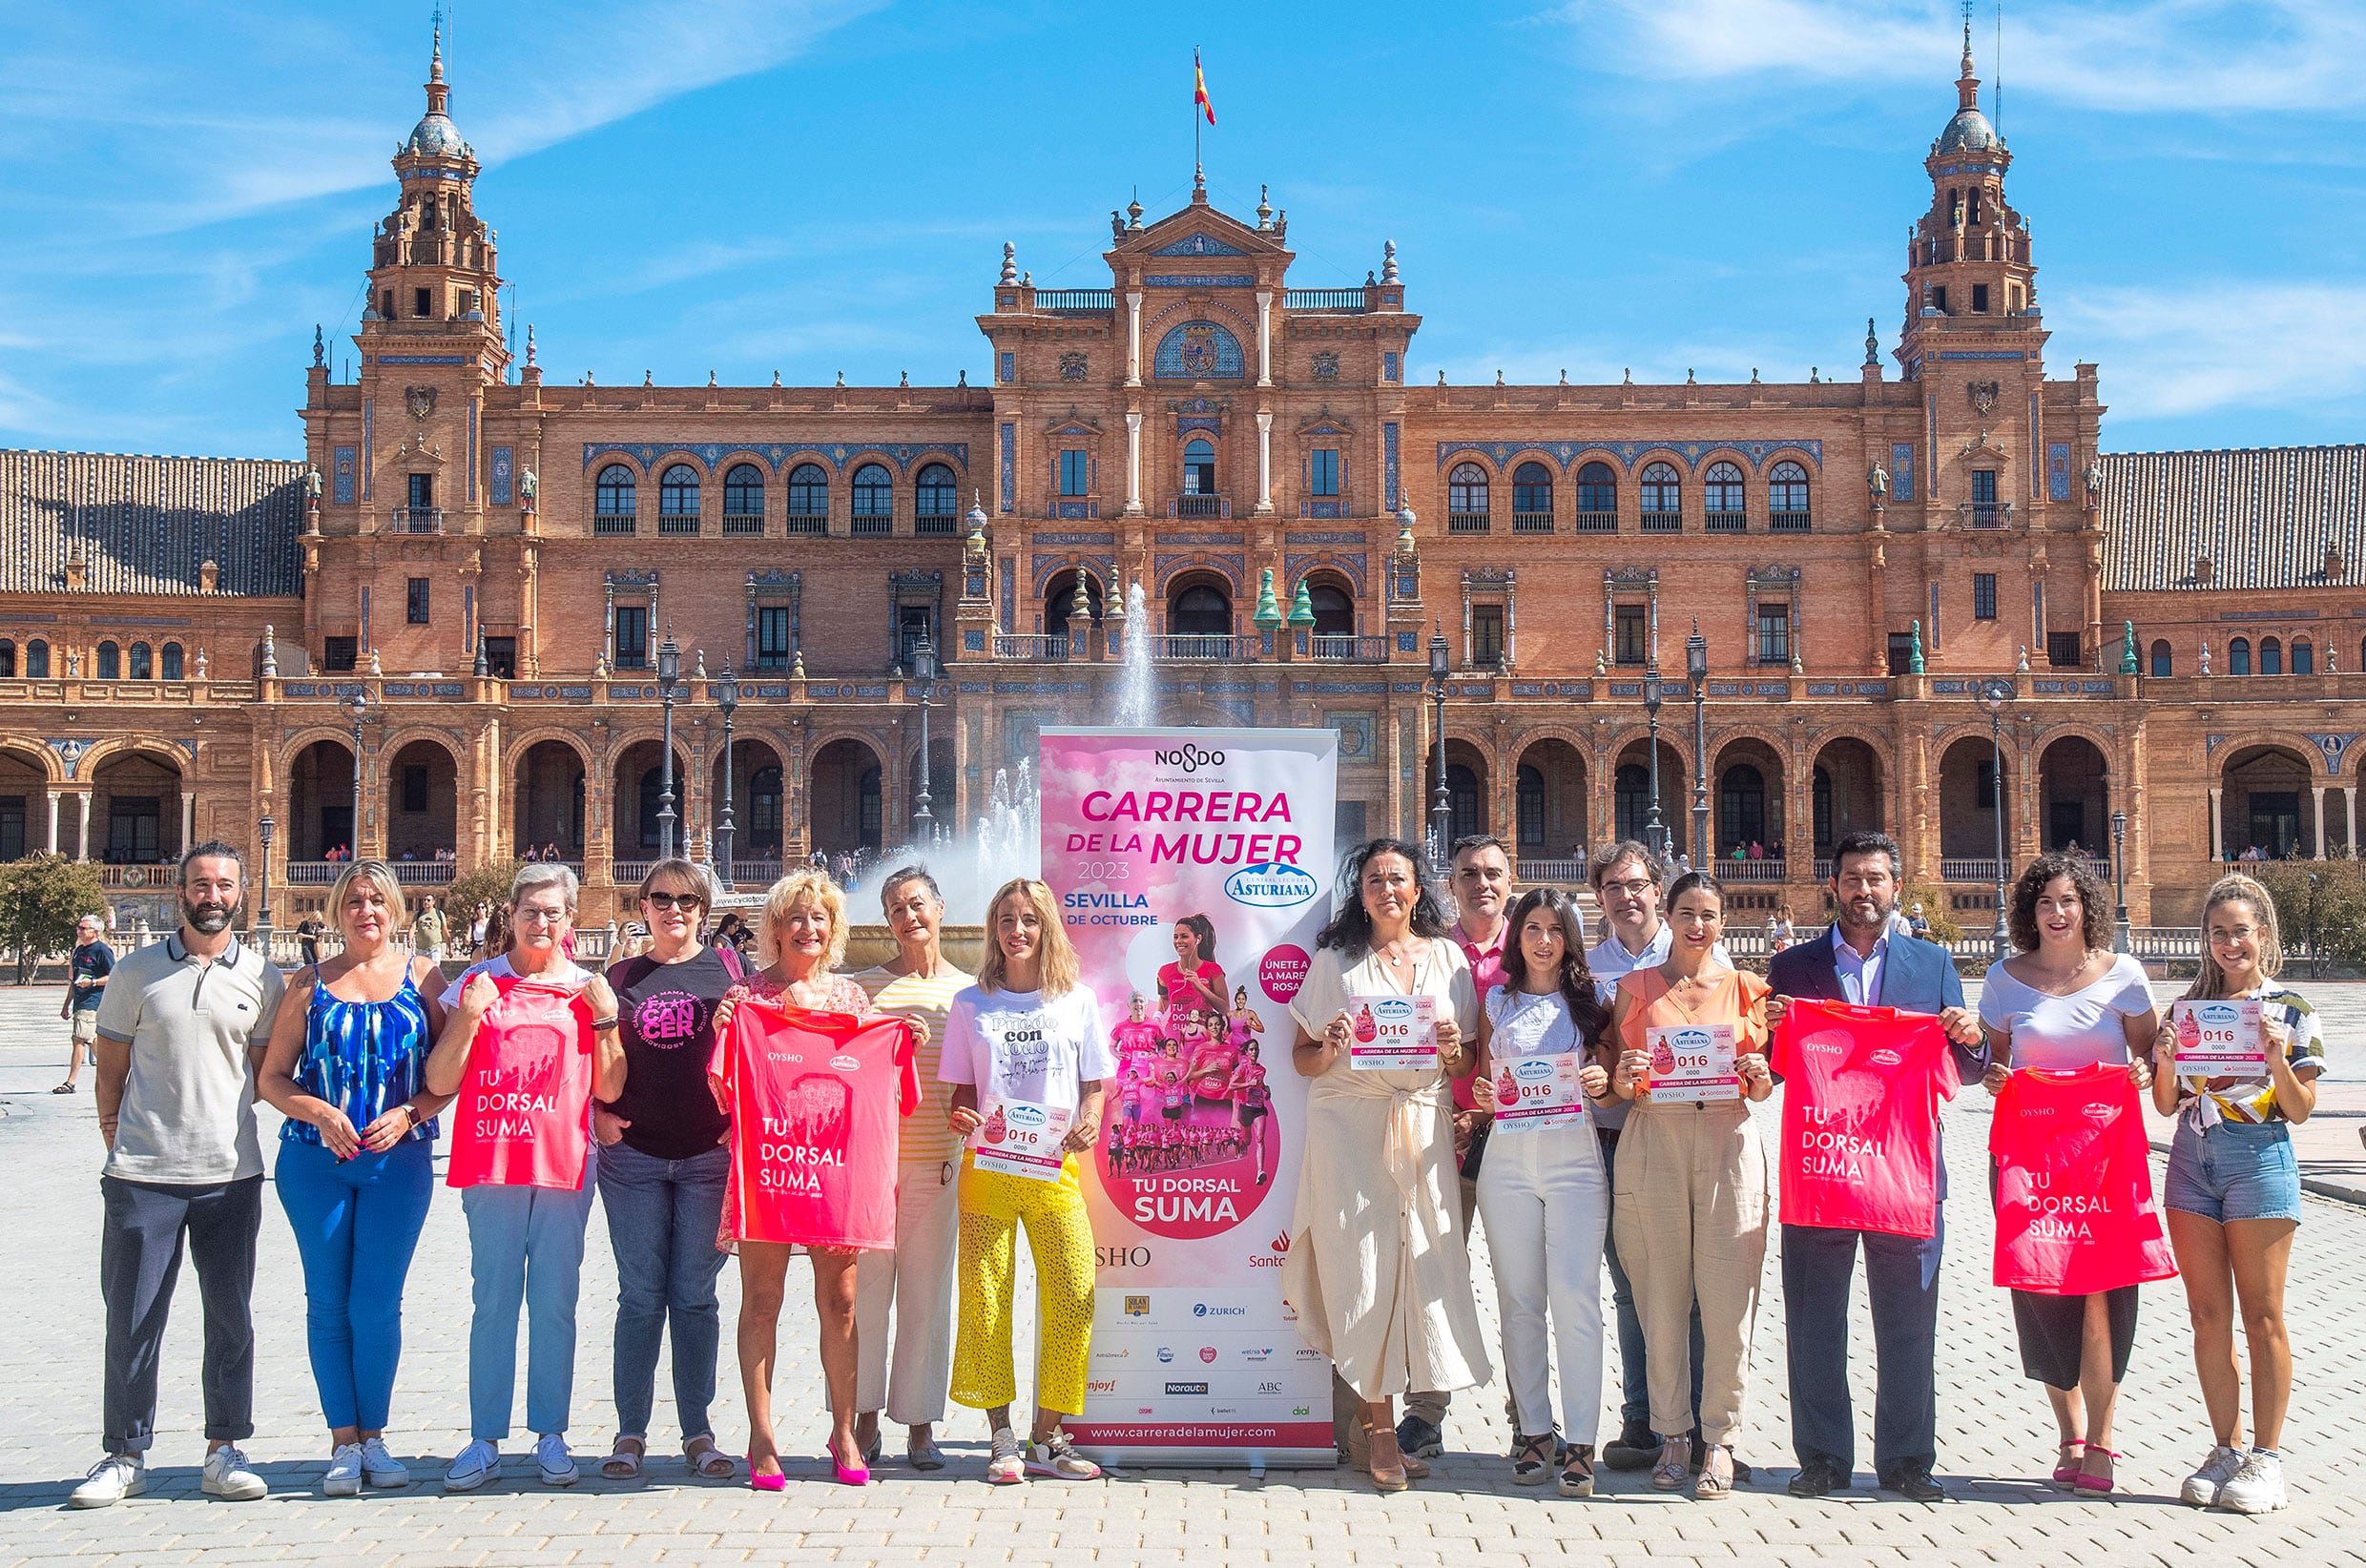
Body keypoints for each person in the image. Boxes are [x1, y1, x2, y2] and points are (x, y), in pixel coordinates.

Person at [1764, 831, 1985, 1502]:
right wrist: (1770, 1029)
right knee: (1814, 1318)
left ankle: (1909, 1459)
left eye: (1877, 879)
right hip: (1824, 1166)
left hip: (1904, 1174)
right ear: (1834, 886)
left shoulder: (1931, 963)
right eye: (1854, 879)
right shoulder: (1794, 969)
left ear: (1897, 886)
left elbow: (1965, 1071)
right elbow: (1773, 1071)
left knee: (1910, 1319)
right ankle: (1824, 1457)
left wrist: (1969, 1038)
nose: (1865, 892)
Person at [71, 843, 286, 1509]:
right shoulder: (135, 973)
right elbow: (110, 1068)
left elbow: (258, 1076)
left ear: (241, 895)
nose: (211, 895)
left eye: (223, 885)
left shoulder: (262, 977)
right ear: (180, 891)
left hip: (230, 1172)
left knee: (230, 1317)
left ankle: (225, 1448)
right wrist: (118, 1131)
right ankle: (123, 1452)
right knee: (132, 1318)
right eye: (200, 884)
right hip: (143, 1173)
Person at [1285, 837, 1490, 1492]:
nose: (1386, 890)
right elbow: (1302, 1058)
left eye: (1397, 878)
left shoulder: (1449, 959)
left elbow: (1461, 1066)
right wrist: (1332, 1044)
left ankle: (1400, 1421)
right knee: (1363, 1269)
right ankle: (1377, 1431)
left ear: (1417, 889)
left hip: (1421, 1126)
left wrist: (1456, 1050)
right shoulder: (1337, 961)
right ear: (1361, 891)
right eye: (1374, 879)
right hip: (1348, 1126)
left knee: (1417, 1270)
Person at [425, 862, 622, 1493]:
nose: (542, 922)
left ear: (572, 919)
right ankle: (484, 1437)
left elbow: (611, 1088)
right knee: (494, 1299)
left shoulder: (588, 990)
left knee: (556, 1301)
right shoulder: (478, 984)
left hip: (566, 1160)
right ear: (510, 914)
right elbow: (438, 1081)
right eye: (531, 911)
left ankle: (552, 1432)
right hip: (495, 1158)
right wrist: (467, 1018)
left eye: (554, 912)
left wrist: (608, 1018)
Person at [257, 860, 450, 1496]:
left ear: (395, 909)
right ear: (338, 911)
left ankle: (377, 1438)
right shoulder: (308, 984)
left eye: (376, 901)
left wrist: (411, 1112)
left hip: (398, 1161)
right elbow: (273, 1077)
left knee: (377, 1303)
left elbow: (447, 1074)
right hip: (317, 1162)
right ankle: (343, 1441)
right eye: (354, 902)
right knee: (328, 1303)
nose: (366, 911)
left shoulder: (424, 978)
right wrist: (316, 1109)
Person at [1977, 851, 2160, 1497]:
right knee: (2044, 1295)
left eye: (2068, 901)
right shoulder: (2003, 979)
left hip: (2106, 1160)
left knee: (2103, 1301)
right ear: (2030, 912)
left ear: (2089, 908)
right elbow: (1995, 1065)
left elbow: (2153, 1051)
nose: (2057, 913)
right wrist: (1996, 1080)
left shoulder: (2125, 976)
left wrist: (2144, 1070)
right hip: (2029, 1162)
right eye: (2045, 902)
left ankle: (2105, 1438)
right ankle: (2069, 1432)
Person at [711, 869, 886, 1489]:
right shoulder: (749, 998)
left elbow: (868, 1089)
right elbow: (725, 1083)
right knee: (762, 1301)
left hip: (833, 1172)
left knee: (839, 1302)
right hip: (768, 1169)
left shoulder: (851, 1001)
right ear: (777, 928)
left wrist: (900, 1042)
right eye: (796, 916)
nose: (808, 927)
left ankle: (843, 1431)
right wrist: (724, 1026)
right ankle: (762, 1438)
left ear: (833, 928)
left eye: (820, 917)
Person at [2152, 874, 2321, 1515]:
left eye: (2241, 931)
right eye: (2218, 933)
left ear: (2263, 935)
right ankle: (2224, 1449)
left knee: (2264, 1315)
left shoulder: (2292, 1009)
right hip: (2193, 1161)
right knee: (2206, 1314)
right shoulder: (2186, 1010)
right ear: (2206, 940)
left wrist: (2277, 1057)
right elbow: (2167, 1103)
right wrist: (2167, 1058)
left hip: (2260, 1160)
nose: (2230, 943)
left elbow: (2301, 1109)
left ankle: (2268, 1459)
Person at [1608, 869, 1774, 1499]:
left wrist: (1759, 1074)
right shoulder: (1637, 988)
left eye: (1708, 915)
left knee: (1730, 1298)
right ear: (1668, 917)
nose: (1697, 925)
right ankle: (1672, 1432)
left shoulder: (1748, 989)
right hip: (1655, 1136)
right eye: (1687, 913)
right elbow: (1622, 1086)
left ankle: (1721, 1438)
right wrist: (1626, 1073)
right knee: (1659, 1291)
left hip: (1727, 1142)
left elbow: (1760, 1086)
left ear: (1722, 922)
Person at [942, 877, 1110, 1484]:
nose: (1018, 930)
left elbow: (1094, 1084)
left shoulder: (1077, 1000)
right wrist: (960, 1116)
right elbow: (961, 1094)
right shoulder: (971, 1003)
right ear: (994, 930)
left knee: (1073, 1294)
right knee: (986, 1304)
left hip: (1054, 1170)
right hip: (987, 1169)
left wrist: (1090, 1121)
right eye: (1007, 919)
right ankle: (1002, 1438)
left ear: (1047, 928)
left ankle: (1050, 1435)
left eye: (1030, 920)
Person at [592, 859, 741, 1484]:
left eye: (686, 899)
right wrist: (594, 1110)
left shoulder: (733, 973)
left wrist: (747, 1123)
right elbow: (584, 1054)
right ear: (644, 906)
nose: (673, 908)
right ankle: (631, 1432)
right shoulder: (620, 976)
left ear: (704, 909)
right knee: (640, 1296)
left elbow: (765, 1053)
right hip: (634, 1157)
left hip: (708, 1155)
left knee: (695, 1297)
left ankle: (698, 1431)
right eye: (661, 898)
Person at [1470, 885, 1615, 1496]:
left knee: (1575, 1297)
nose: (1545, 940)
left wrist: (1601, 1079)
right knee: (1519, 1300)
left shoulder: (1593, 1001)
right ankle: (1534, 1431)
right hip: (1507, 1161)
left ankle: (1582, 1439)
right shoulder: (1496, 1002)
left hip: (1575, 1161)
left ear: (1571, 939)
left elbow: (1612, 1083)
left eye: (1556, 930)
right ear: (1517, 935)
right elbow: (1482, 1076)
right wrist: (1481, 1095)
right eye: (1533, 928)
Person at [1584, 841, 1719, 1475]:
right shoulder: (1585, 970)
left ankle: (1695, 1424)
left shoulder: (1698, 956)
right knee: (1635, 1288)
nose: (1626, 897)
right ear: (1600, 897)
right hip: (1614, 1139)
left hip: (1693, 1138)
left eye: (1636, 885)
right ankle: (1643, 1420)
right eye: (1613, 887)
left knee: (1697, 1287)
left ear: (1657, 891)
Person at [849, 866, 975, 1472]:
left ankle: (920, 1424)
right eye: (896, 908)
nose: (909, 917)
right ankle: (863, 1417)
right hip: (870, 1167)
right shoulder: (863, 988)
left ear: (942, 907)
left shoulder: (972, 992)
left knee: (926, 1298)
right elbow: (836, 1059)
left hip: (938, 1166)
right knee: (866, 1296)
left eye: (918, 904)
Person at [1397, 833, 1510, 1462]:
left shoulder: (1532, 944)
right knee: (1435, 1275)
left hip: (1522, 1135)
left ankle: (1531, 1420)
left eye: (1493, 872)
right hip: (1447, 1131)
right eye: (1469, 872)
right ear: (1451, 884)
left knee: (1526, 1284)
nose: (1481, 883)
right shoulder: (1434, 954)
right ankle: (1426, 1412)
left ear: (1509, 879)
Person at [55, 912, 114, 1094]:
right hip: (79, 1002)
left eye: (83, 928)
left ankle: (70, 1082)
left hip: (94, 1001)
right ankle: (116, 1072)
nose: (79, 931)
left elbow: (114, 976)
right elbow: (74, 980)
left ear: (95, 931)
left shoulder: (102, 951)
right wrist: (66, 1005)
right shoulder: (79, 951)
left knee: (79, 1039)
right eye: (78, 927)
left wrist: (93, 982)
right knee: (91, 1041)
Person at [1156, 914, 1227, 1028]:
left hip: (1204, 1039)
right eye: (1175, 937)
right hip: (1174, 1039)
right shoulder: (1165, 971)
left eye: (1184, 936)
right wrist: (1157, 1017)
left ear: (1198, 939)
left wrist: (1199, 986)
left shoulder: (1214, 970)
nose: (1178, 941)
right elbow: (1164, 998)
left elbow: (1225, 1009)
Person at [411, 893, 448, 963]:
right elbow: (412, 928)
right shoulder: (418, 914)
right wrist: (409, 940)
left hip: (434, 948)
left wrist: (450, 947)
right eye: (424, 900)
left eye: (428, 900)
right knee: (421, 970)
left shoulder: (439, 914)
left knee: (433, 970)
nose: (426, 902)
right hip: (420, 949)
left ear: (433, 902)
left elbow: (444, 930)